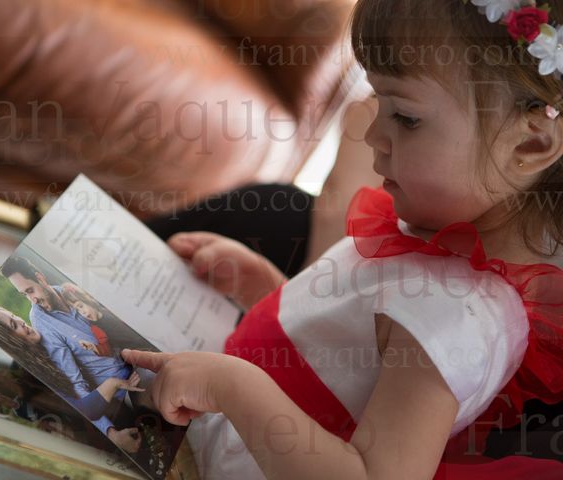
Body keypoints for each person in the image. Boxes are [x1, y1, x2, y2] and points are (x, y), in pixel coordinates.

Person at [122, 1, 563, 479]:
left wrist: (231, 387)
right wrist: (265, 293)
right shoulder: (418, 235)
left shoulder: (458, 314)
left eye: (407, 117)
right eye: (378, 104)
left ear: (530, 144)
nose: (372, 134)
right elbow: (343, 360)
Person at [0, 305, 144, 425]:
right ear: (10, 342)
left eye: (14, 316)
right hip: (120, 404)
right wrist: (112, 384)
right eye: (14, 326)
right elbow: (85, 410)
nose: (21, 322)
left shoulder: (48, 329)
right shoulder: (38, 374)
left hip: (130, 370)